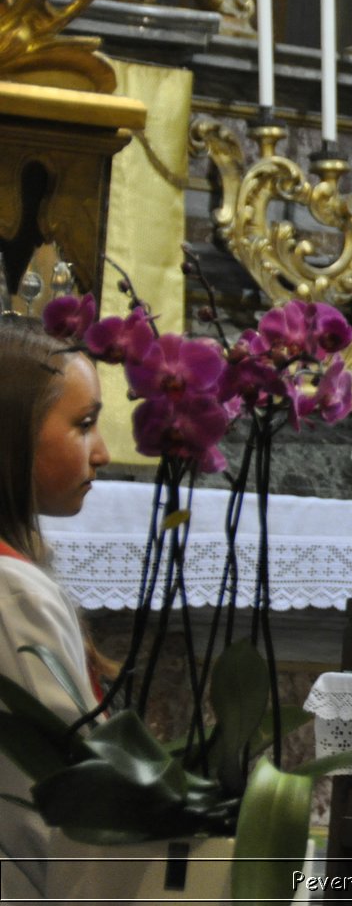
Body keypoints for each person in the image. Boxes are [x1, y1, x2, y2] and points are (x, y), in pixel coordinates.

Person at [0, 316, 109, 897]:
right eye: (84, 424)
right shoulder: (13, 592)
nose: (104, 452)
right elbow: (63, 790)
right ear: (14, 434)